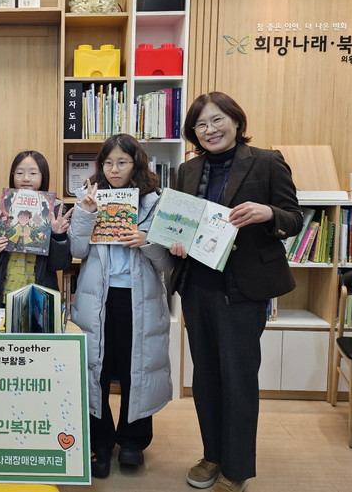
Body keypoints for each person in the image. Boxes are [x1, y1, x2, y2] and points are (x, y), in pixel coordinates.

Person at [170, 92, 303, 492]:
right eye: (201, 125)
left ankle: (237, 468)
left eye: (217, 120)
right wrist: (177, 239)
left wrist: (268, 213)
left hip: (242, 290)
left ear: (236, 121)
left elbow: (294, 219)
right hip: (197, 286)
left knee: (238, 379)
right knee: (205, 377)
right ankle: (212, 455)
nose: (210, 130)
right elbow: (181, 222)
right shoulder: (187, 170)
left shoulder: (266, 161)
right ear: (193, 132)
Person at [68, 133, 173, 479]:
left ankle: (132, 442)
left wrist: (147, 241)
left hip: (138, 299)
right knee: (96, 370)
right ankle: (99, 442)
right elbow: (77, 251)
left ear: (136, 164)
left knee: (136, 369)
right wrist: (85, 213)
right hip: (97, 298)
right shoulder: (88, 196)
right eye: (109, 163)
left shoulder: (155, 201)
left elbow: (166, 263)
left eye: (122, 162)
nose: (114, 170)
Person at [0, 150, 72, 308]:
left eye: (33, 173)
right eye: (19, 173)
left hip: (38, 299)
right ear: (12, 175)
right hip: (0, 296)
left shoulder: (55, 211)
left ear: (43, 176)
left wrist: (58, 236)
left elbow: (59, 265)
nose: (26, 178)